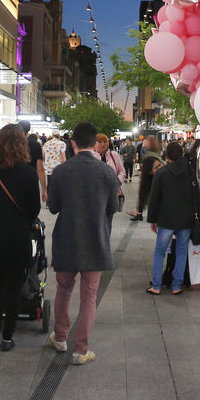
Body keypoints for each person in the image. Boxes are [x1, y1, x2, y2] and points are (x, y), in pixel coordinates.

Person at [47, 122, 120, 365]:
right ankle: (81, 350)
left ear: (73, 143)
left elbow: (54, 207)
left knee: (64, 290)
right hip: (95, 240)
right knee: (89, 296)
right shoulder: (107, 172)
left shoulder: (61, 171)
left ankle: (60, 337)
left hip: (67, 239)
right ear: (94, 143)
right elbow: (112, 207)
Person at [0, 125, 41, 350]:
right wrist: (26, 220)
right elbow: (35, 209)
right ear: (21, 144)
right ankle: (8, 337)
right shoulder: (29, 173)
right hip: (19, 235)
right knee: (14, 285)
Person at [146, 141, 200, 296]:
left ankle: (156, 286)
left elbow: (154, 198)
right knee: (182, 251)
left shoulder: (162, 173)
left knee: (160, 252)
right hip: (186, 220)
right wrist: (199, 216)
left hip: (166, 219)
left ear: (167, 156)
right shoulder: (189, 171)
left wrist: (153, 219)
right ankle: (177, 285)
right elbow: (196, 196)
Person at [130, 136, 163, 221]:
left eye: (147, 141)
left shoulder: (150, 154)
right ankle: (140, 212)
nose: (145, 142)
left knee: (144, 195)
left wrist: (142, 169)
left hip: (148, 177)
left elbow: (147, 165)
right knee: (145, 195)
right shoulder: (156, 152)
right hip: (153, 176)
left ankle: (140, 213)